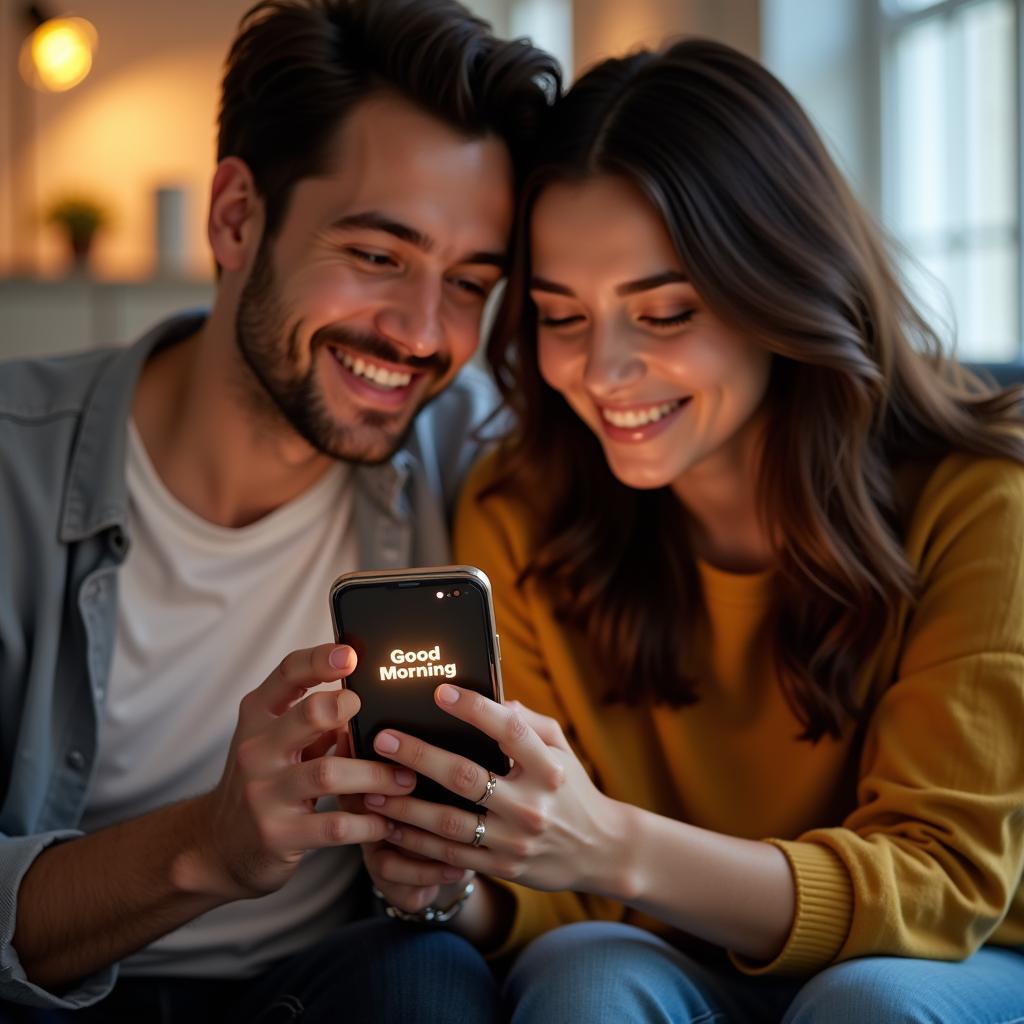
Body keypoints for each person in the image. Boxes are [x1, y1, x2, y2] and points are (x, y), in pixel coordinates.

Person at [358, 39, 1024, 1022]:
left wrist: (612, 842)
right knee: (587, 973)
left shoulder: (980, 498)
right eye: (560, 316)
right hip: (658, 949)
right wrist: (454, 880)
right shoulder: (520, 507)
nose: (603, 371)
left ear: (778, 289)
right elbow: (563, 890)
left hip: (945, 960)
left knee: (867, 1003)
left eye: (663, 312)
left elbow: (941, 884)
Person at [0, 1, 558, 1019]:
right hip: (49, 998)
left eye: (469, 282)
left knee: (431, 981)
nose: (422, 334)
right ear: (234, 219)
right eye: (379, 256)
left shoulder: (476, 463)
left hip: (327, 987)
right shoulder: (11, 469)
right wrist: (209, 847)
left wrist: (450, 877)